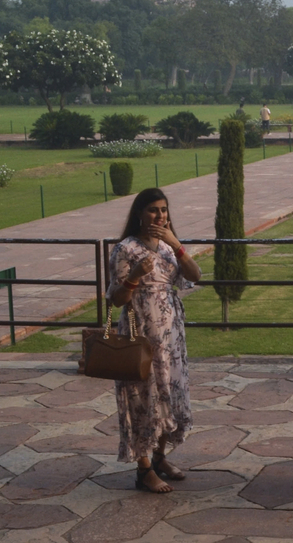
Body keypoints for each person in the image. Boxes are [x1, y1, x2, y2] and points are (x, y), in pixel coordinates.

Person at [107, 188, 201, 494]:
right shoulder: (126, 249)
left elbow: (196, 276)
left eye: (163, 210)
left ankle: (160, 457)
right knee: (144, 398)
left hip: (170, 335)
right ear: (139, 214)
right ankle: (144, 469)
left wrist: (177, 245)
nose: (159, 216)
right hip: (141, 334)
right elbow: (117, 299)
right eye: (152, 210)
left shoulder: (168, 247)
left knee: (169, 394)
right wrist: (134, 275)